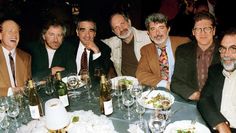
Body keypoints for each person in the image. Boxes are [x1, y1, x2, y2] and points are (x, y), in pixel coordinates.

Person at [171, 12, 220, 101]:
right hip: (192, 102)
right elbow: (175, 82)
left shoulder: (225, 50)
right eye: (198, 29)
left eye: (207, 28)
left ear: (213, 31)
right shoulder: (183, 50)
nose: (203, 33)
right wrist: (196, 95)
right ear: (193, 32)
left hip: (219, 102)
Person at [136, 13, 191, 89]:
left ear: (168, 29)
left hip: (184, 90)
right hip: (161, 92)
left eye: (161, 28)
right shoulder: (146, 50)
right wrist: (165, 84)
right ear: (148, 33)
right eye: (153, 29)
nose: (157, 33)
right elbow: (140, 74)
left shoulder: (183, 43)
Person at [197, 27, 236, 133]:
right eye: (223, 48)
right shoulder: (216, 70)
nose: (226, 54)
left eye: (233, 49)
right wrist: (220, 124)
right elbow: (204, 99)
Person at [102, 12, 151, 77]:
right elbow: (96, 42)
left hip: (146, 83)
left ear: (129, 22)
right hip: (124, 84)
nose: (121, 29)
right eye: (116, 27)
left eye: (122, 23)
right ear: (114, 32)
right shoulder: (113, 43)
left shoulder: (148, 37)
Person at [74, 17, 112, 82]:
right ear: (77, 32)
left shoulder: (104, 49)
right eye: (83, 30)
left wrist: (96, 52)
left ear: (95, 33)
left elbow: (101, 77)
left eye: (91, 31)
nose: (87, 35)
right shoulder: (68, 46)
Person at [0, 19, 31, 96]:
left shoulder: (26, 57)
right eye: (10, 31)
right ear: (0, 35)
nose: (14, 35)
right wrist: (10, 91)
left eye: (17, 32)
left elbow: (27, 84)